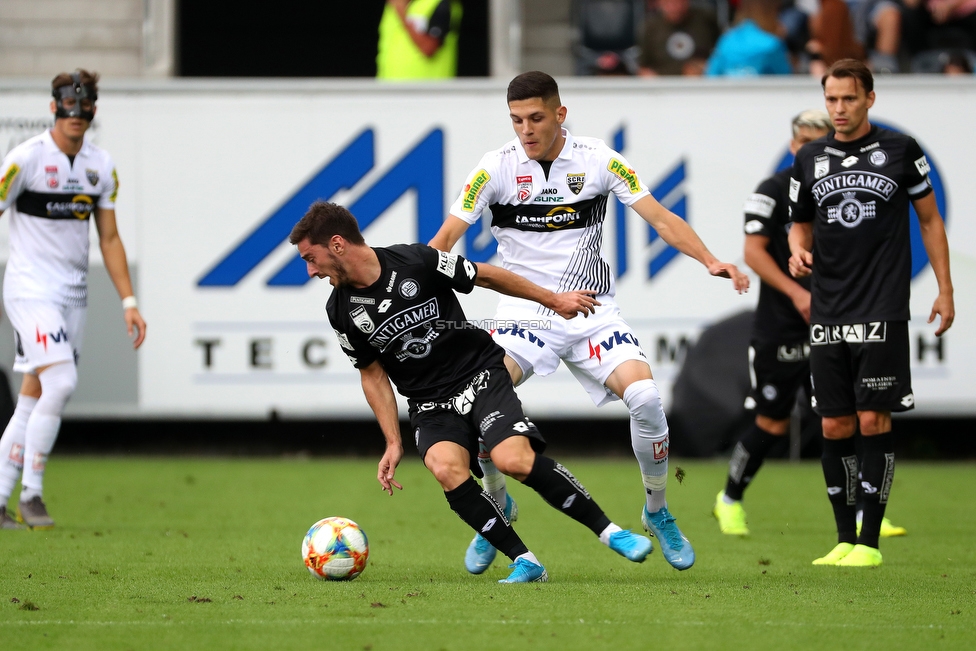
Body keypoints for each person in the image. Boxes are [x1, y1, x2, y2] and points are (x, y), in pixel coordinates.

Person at [429, 71, 749, 574]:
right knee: (476, 401)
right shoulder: (494, 169)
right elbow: (445, 237)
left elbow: (661, 217)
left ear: (560, 114)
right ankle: (497, 503)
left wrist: (710, 260)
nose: (526, 130)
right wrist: (412, 287)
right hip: (524, 312)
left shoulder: (599, 159)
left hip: (590, 309)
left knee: (645, 399)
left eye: (536, 118)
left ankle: (657, 511)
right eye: (516, 120)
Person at [293, 201, 655, 584]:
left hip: (478, 374)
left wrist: (553, 300)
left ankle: (611, 532)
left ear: (336, 244)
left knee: (513, 460)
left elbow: (486, 276)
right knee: (445, 467)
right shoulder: (341, 310)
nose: (311, 271)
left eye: (311, 259)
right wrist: (392, 441)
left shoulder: (416, 260)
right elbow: (372, 375)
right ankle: (526, 562)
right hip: (429, 403)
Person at [788, 59, 954, 566]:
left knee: (871, 417)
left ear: (870, 99)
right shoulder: (810, 158)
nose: (839, 109)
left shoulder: (900, 150)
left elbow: (930, 221)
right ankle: (843, 538)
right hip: (828, 309)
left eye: (849, 99)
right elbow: (799, 224)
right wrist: (797, 250)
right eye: (832, 99)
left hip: (881, 306)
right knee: (834, 425)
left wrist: (945, 290)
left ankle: (871, 543)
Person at [0, 70, 146, 530]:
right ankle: (34, 495)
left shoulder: (101, 167)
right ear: (54, 108)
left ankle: (1, 497)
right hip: (28, 288)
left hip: (73, 294)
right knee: (61, 382)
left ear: (93, 111)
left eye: (84, 109)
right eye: (69, 108)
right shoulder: (24, 160)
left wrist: (128, 301)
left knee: (33, 396)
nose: (76, 115)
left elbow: (109, 237)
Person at [713, 109, 832, 536]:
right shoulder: (773, 189)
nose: (813, 152)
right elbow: (755, 252)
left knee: (843, 417)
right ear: (793, 145)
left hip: (832, 320)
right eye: (806, 143)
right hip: (781, 326)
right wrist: (799, 293)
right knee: (772, 422)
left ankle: (862, 512)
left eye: (822, 144)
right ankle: (729, 500)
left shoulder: (842, 188)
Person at [376, 0, 463, 80]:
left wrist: (402, 13)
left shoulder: (440, 4)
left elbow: (428, 47)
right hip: (390, 89)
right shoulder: (394, 6)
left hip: (427, 91)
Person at [705, 0, 794, 76]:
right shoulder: (772, 44)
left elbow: (711, 75)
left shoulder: (726, 40)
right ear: (772, 10)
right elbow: (786, 80)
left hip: (728, 94)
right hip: (760, 94)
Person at [639, 0, 721, 76]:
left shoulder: (706, 20)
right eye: (667, 3)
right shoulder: (651, 27)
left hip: (701, 83)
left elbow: (721, 53)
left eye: (677, 3)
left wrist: (706, 67)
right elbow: (643, 67)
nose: (673, 8)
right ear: (659, 3)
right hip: (663, 85)